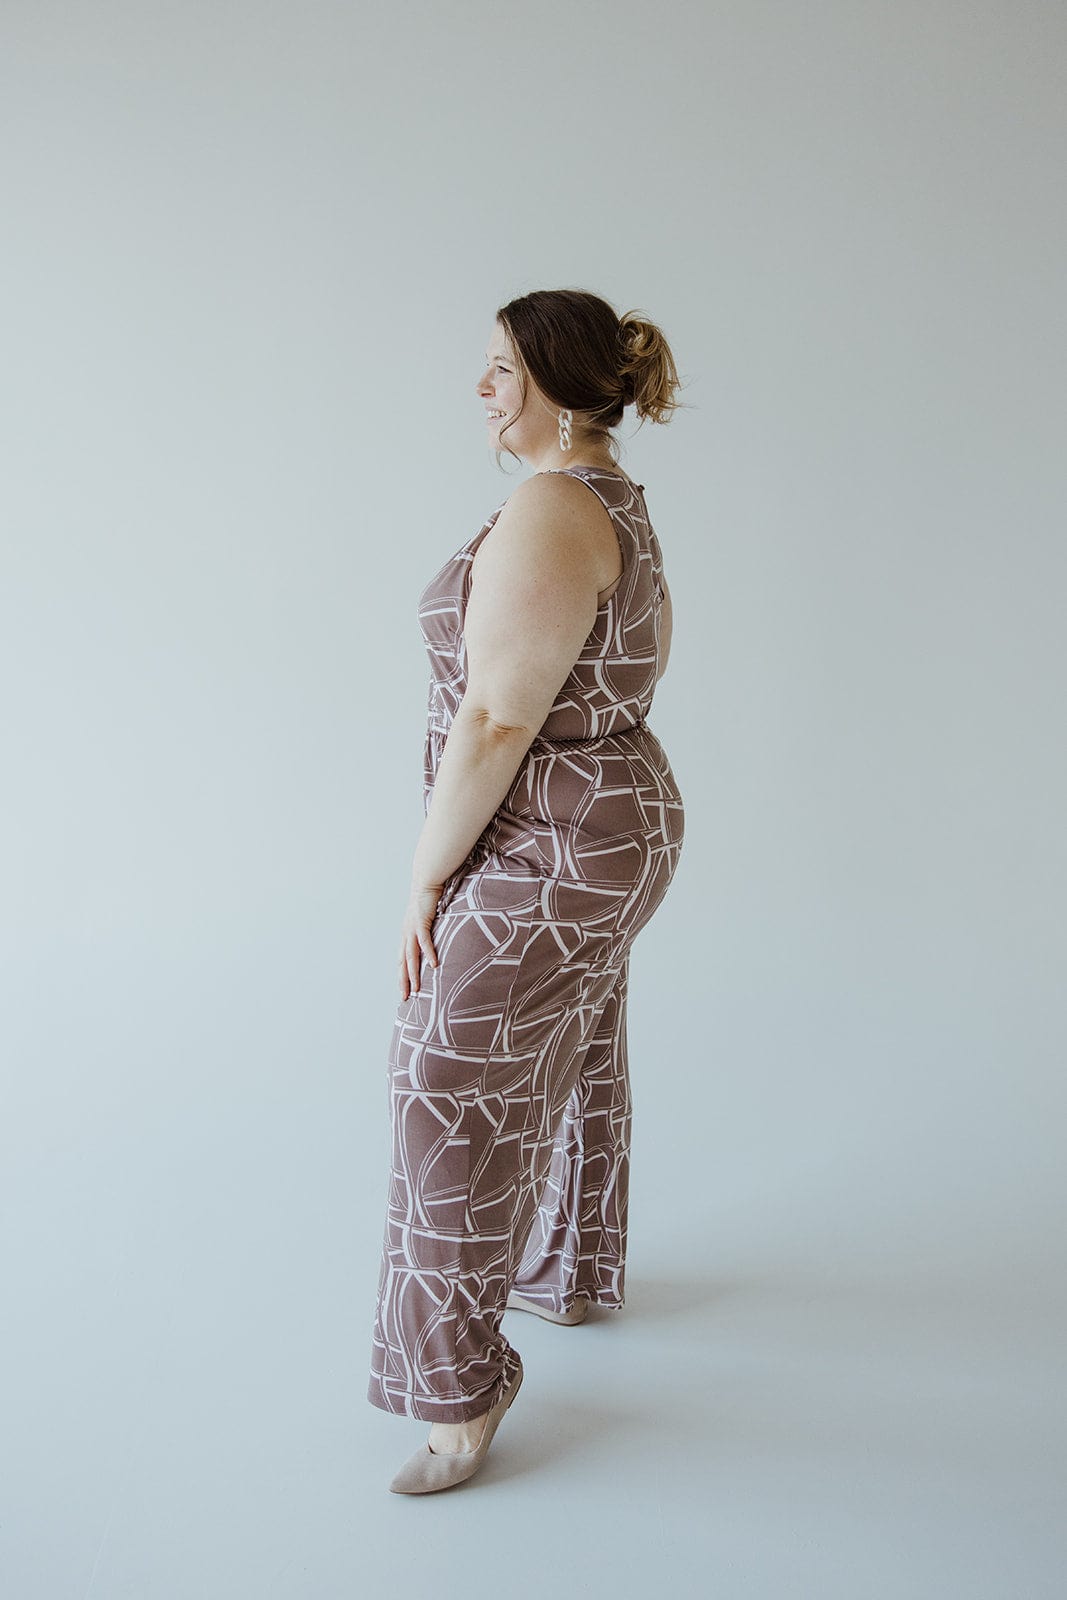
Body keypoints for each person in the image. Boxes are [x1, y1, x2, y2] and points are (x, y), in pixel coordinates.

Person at [367, 287, 687, 1494]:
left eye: (501, 366)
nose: (483, 385)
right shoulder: (603, 495)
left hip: (559, 837)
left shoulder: (554, 504)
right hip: (600, 825)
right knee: (569, 1038)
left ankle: (460, 1391)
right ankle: (573, 1269)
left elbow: (499, 716)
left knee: (442, 1073)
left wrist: (424, 873)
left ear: (556, 380)